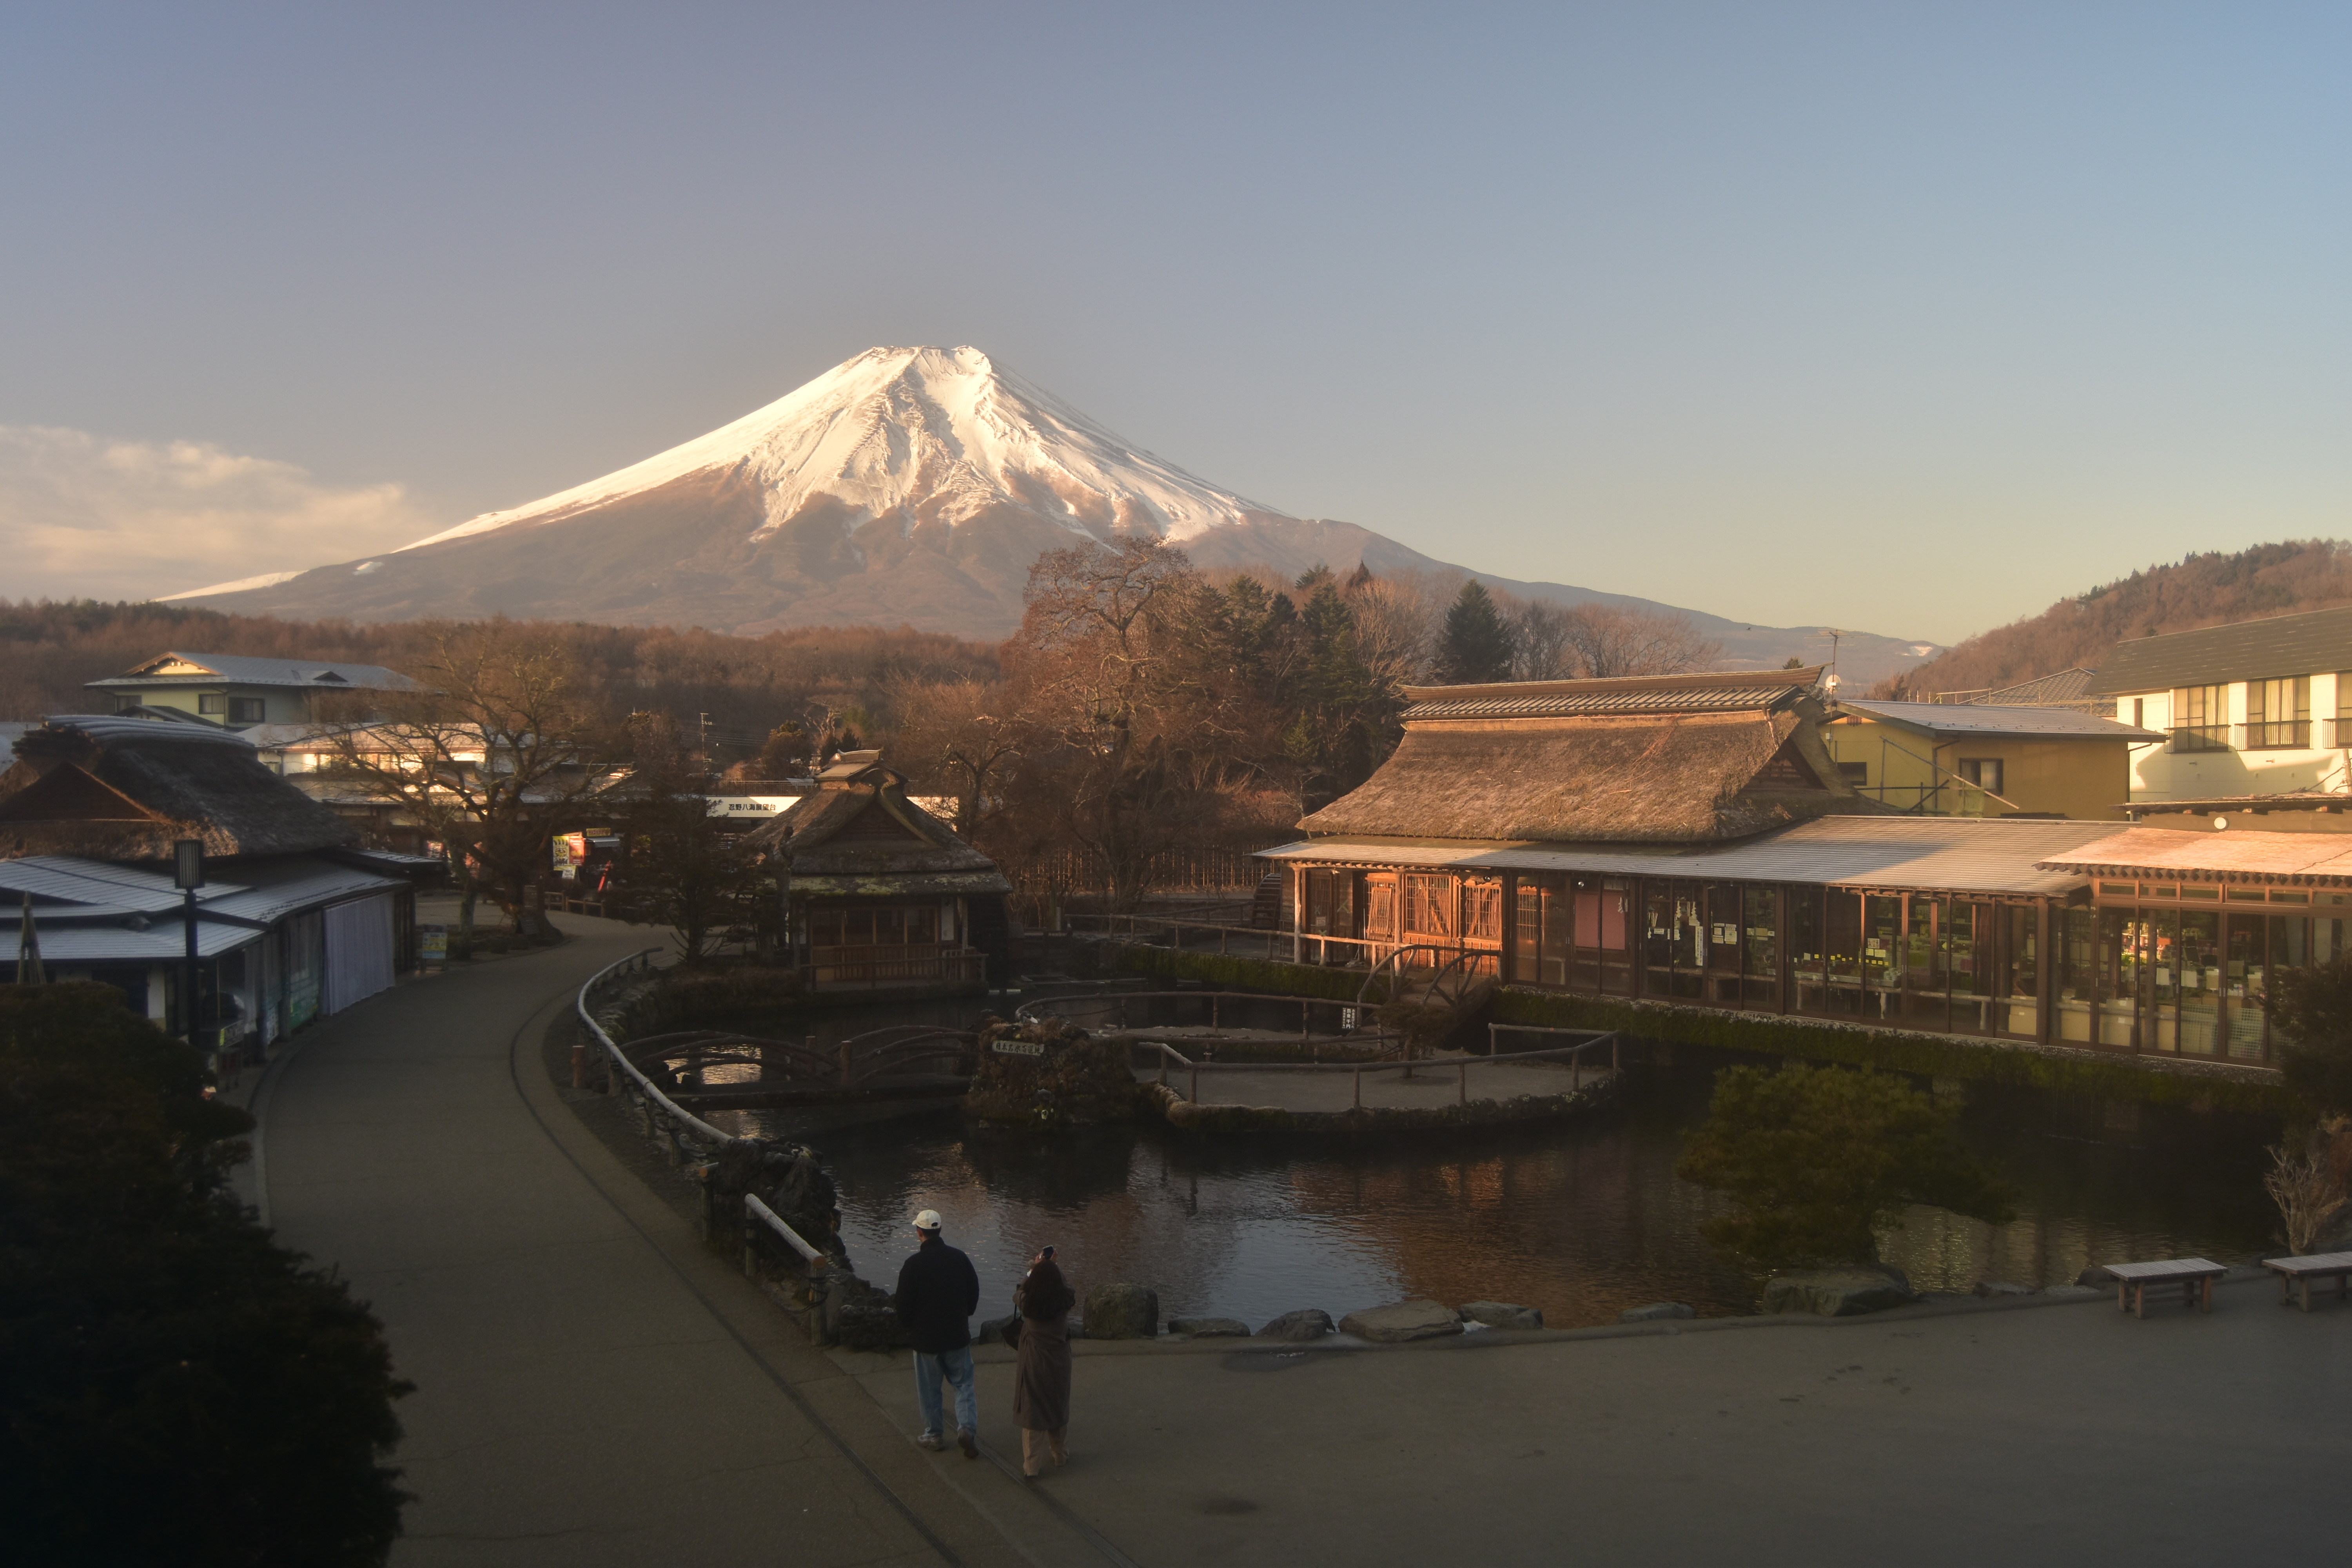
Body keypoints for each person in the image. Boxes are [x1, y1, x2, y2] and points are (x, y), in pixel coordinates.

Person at [893, 1209, 980, 1458]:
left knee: (930, 1389)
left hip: (926, 1340)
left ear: (919, 1232)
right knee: (964, 1385)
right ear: (940, 1230)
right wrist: (967, 1314)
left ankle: (934, 1435)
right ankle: (966, 1428)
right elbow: (973, 1290)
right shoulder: (959, 1258)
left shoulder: (913, 1265)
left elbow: (903, 1303)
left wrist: (908, 1325)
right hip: (957, 1336)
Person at [1013, 1248, 1075, 1478]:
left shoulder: (1029, 1304)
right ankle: (1060, 1455)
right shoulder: (1065, 1300)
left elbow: (1020, 1290)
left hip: (1034, 1361)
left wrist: (1034, 1268)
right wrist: (1053, 1268)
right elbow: (1066, 1287)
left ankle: (1032, 1466)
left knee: (1033, 1412)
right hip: (1060, 1360)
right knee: (1058, 1406)